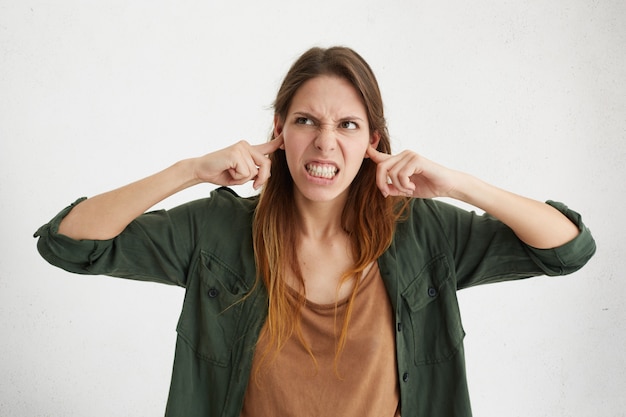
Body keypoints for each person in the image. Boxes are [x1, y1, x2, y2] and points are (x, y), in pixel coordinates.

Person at [35, 46, 596, 417]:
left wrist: (458, 185)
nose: (326, 143)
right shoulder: (219, 230)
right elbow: (69, 241)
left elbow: (568, 247)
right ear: (279, 130)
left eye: (347, 125)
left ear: (372, 138)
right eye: (307, 121)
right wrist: (188, 171)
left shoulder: (424, 232)